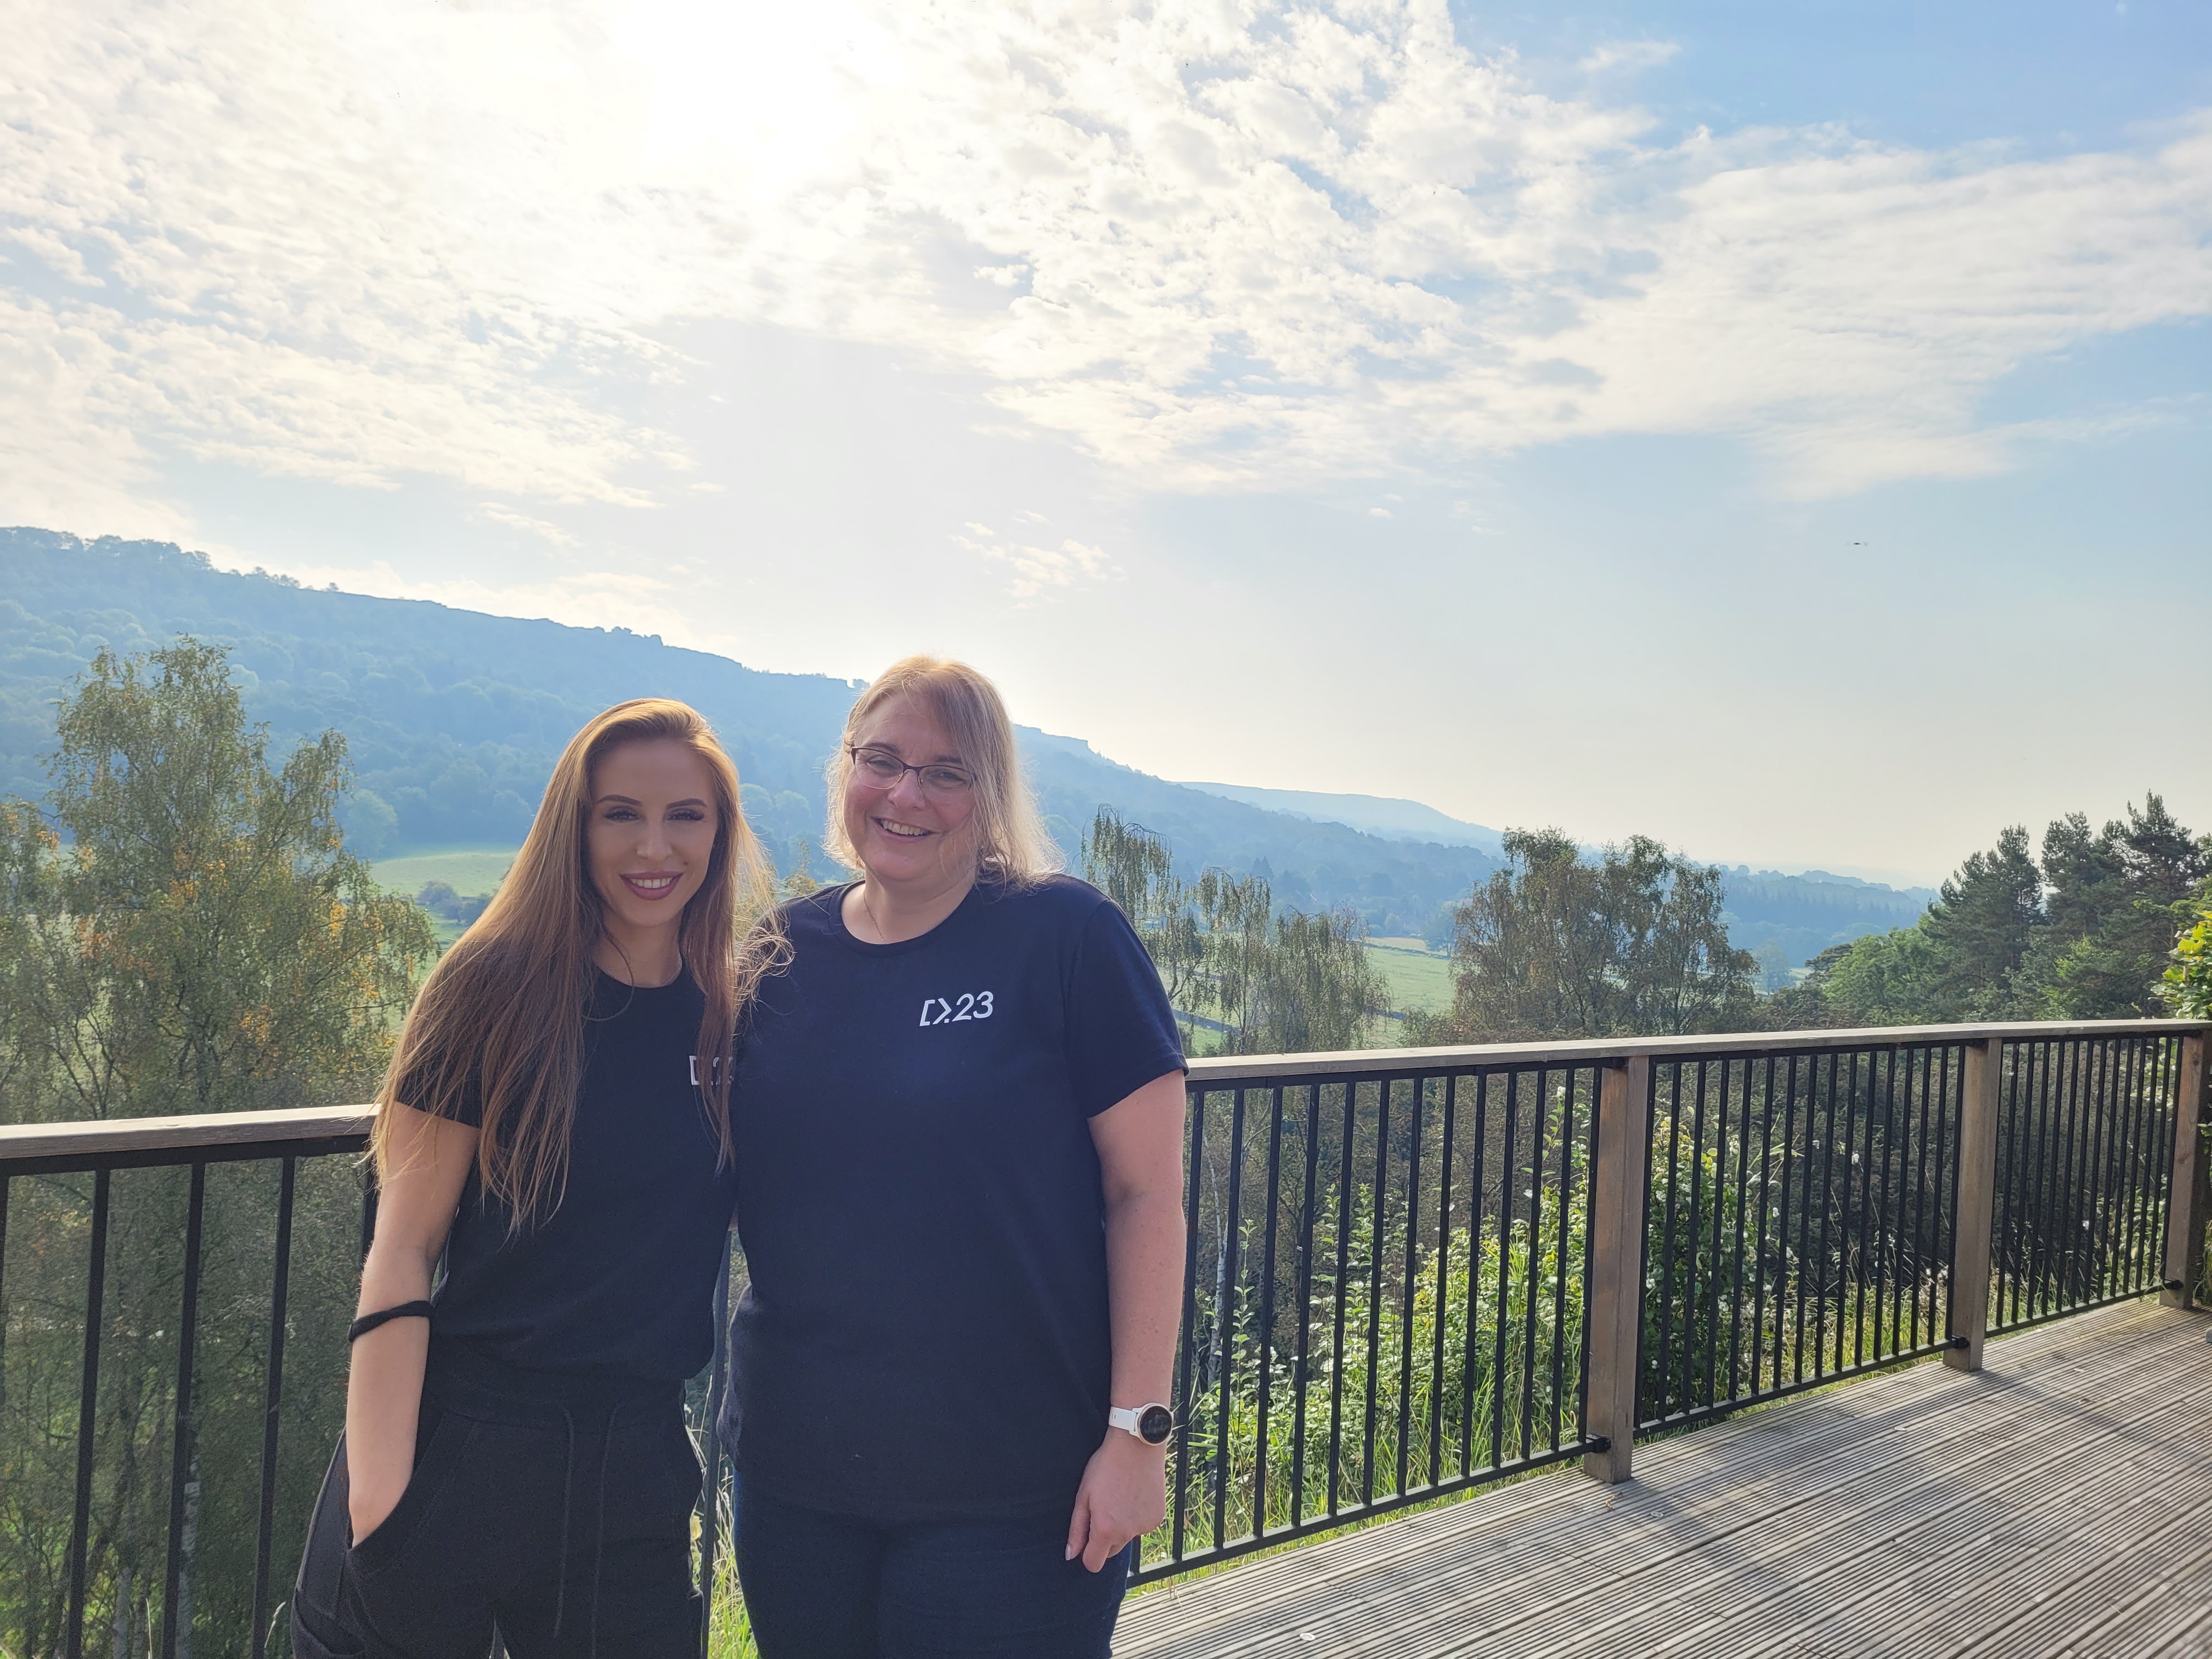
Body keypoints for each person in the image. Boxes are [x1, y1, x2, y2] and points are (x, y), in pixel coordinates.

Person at [292, 699, 780, 1659]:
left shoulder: (733, 1015)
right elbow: (403, 1248)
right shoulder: (493, 988)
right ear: (575, 825)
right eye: (620, 813)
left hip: (634, 1462)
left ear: (720, 832)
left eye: (686, 814)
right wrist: (382, 1503)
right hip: (461, 1442)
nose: (655, 845)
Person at [726, 656, 1189, 1659]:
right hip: (797, 1478)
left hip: (1019, 1494)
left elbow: (1148, 1195)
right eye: (882, 761)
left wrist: (1136, 1436)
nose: (905, 795)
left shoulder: (1066, 937)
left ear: (989, 798)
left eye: (945, 771)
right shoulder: (780, 955)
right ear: (844, 770)